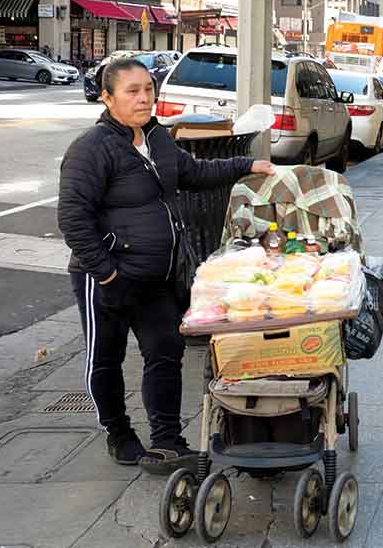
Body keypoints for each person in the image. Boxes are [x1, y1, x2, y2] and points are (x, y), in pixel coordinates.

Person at [57, 58, 276, 474]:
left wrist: (246, 166)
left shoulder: (157, 138)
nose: (143, 98)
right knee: (106, 358)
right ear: (107, 97)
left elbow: (193, 172)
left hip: (157, 277)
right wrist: (106, 273)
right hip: (106, 277)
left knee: (165, 352)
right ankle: (118, 434)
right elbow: (73, 219)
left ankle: (167, 440)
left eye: (148, 90)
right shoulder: (91, 149)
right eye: (132, 91)